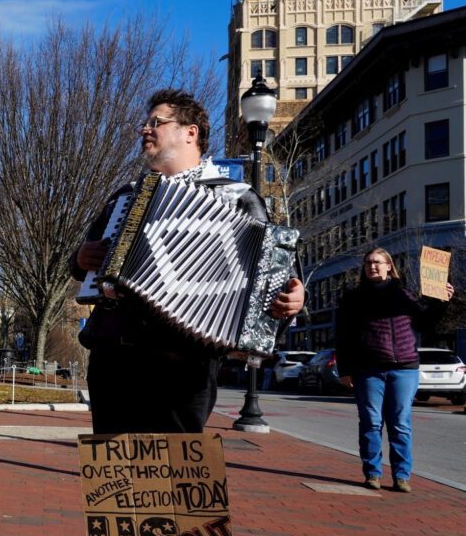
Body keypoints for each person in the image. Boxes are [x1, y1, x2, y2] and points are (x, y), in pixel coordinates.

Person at [72, 89, 305, 434]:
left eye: (156, 122)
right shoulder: (125, 197)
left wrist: (292, 299)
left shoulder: (235, 197)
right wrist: (80, 258)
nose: (144, 130)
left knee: (175, 472)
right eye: (145, 123)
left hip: (186, 362)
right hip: (116, 355)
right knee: (115, 474)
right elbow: (84, 264)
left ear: (190, 132)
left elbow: (279, 275)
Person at [335, 248, 453, 492]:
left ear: (389, 266)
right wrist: (345, 369)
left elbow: (425, 325)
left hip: (404, 369)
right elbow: (343, 337)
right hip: (368, 369)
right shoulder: (353, 298)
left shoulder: (404, 295)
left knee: (400, 423)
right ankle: (373, 473)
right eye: (368, 262)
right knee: (371, 422)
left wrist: (441, 302)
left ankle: (401, 476)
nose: (372, 266)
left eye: (378, 262)